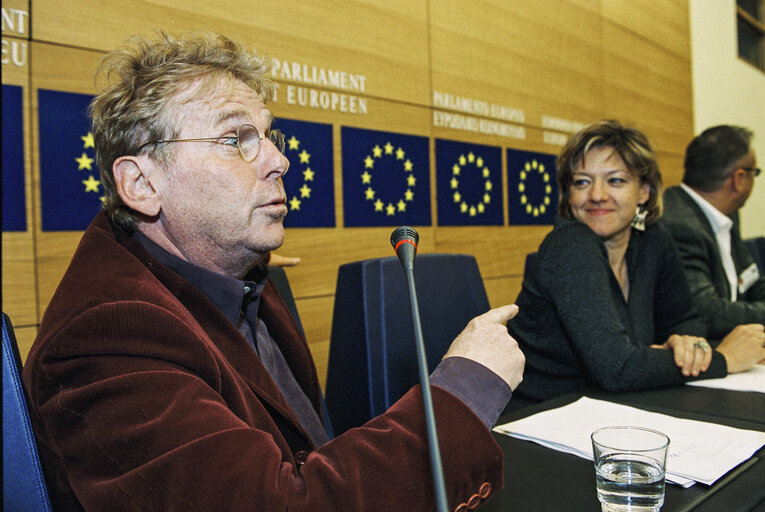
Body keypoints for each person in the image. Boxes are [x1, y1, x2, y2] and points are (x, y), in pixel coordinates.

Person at [22, 32, 525, 511]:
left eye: (267, 135)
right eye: (235, 137)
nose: (280, 160)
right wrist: (465, 390)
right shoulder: (106, 336)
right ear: (141, 184)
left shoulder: (229, 272)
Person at [506, 120, 765, 410]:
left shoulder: (652, 238)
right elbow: (617, 368)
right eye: (582, 182)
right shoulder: (569, 245)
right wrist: (722, 358)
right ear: (569, 194)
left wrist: (685, 344)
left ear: (643, 191)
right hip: (541, 418)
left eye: (615, 180)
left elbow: (684, 320)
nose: (597, 195)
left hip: (613, 407)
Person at [662, 125, 764, 339]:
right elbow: (706, 312)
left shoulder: (727, 213)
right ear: (738, 179)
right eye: (755, 173)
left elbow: (751, 281)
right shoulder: (678, 225)